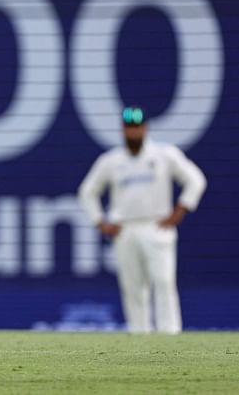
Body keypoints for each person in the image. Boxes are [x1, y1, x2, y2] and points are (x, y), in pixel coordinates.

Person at [78, 105, 207, 334]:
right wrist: (100, 221)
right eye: (129, 128)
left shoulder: (164, 155)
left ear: (145, 128)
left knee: (164, 281)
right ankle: (139, 334)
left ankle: (170, 334)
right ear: (123, 130)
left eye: (137, 127)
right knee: (133, 287)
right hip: (125, 229)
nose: (133, 133)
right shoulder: (112, 160)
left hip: (157, 226)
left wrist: (181, 209)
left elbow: (196, 179)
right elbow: (87, 191)